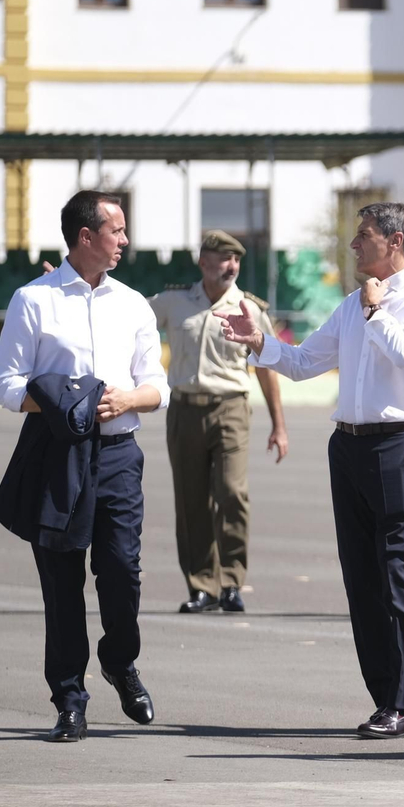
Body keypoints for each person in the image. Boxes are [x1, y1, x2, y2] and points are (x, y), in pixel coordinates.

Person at [217, 201, 404, 739]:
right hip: (348, 446)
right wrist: (259, 343)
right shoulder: (352, 304)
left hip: (399, 444)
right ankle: (382, 698)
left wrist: (377, 312)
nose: (353, 246)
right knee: (360, 577)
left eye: (363, 236)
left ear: (394, 241)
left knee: (396, 569)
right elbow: (303, 363)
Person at [0, 190, 169, 742]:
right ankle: (69, 697)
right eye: (116, 230)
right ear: (85, 237)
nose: (125, 240)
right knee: (61, 584)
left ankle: (119, 659)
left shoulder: (133, 303)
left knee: (121, 572)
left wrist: (127, 401)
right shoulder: (34, 300)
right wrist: (71, 401)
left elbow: (157, 385)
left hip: (118, 454)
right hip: (56, 455)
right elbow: (5, 387)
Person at [151, 230, 288, 615]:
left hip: (231, 408)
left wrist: (279, 425)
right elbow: (127, 317)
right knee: (191, 499)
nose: (231, 266)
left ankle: (231, 582)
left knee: (231, 493)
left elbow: (267, 367)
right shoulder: (173, 302)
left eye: (236, 260)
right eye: (224, 258)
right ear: (203, 262)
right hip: (184, 409)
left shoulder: (248, 308)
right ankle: (202, 587)